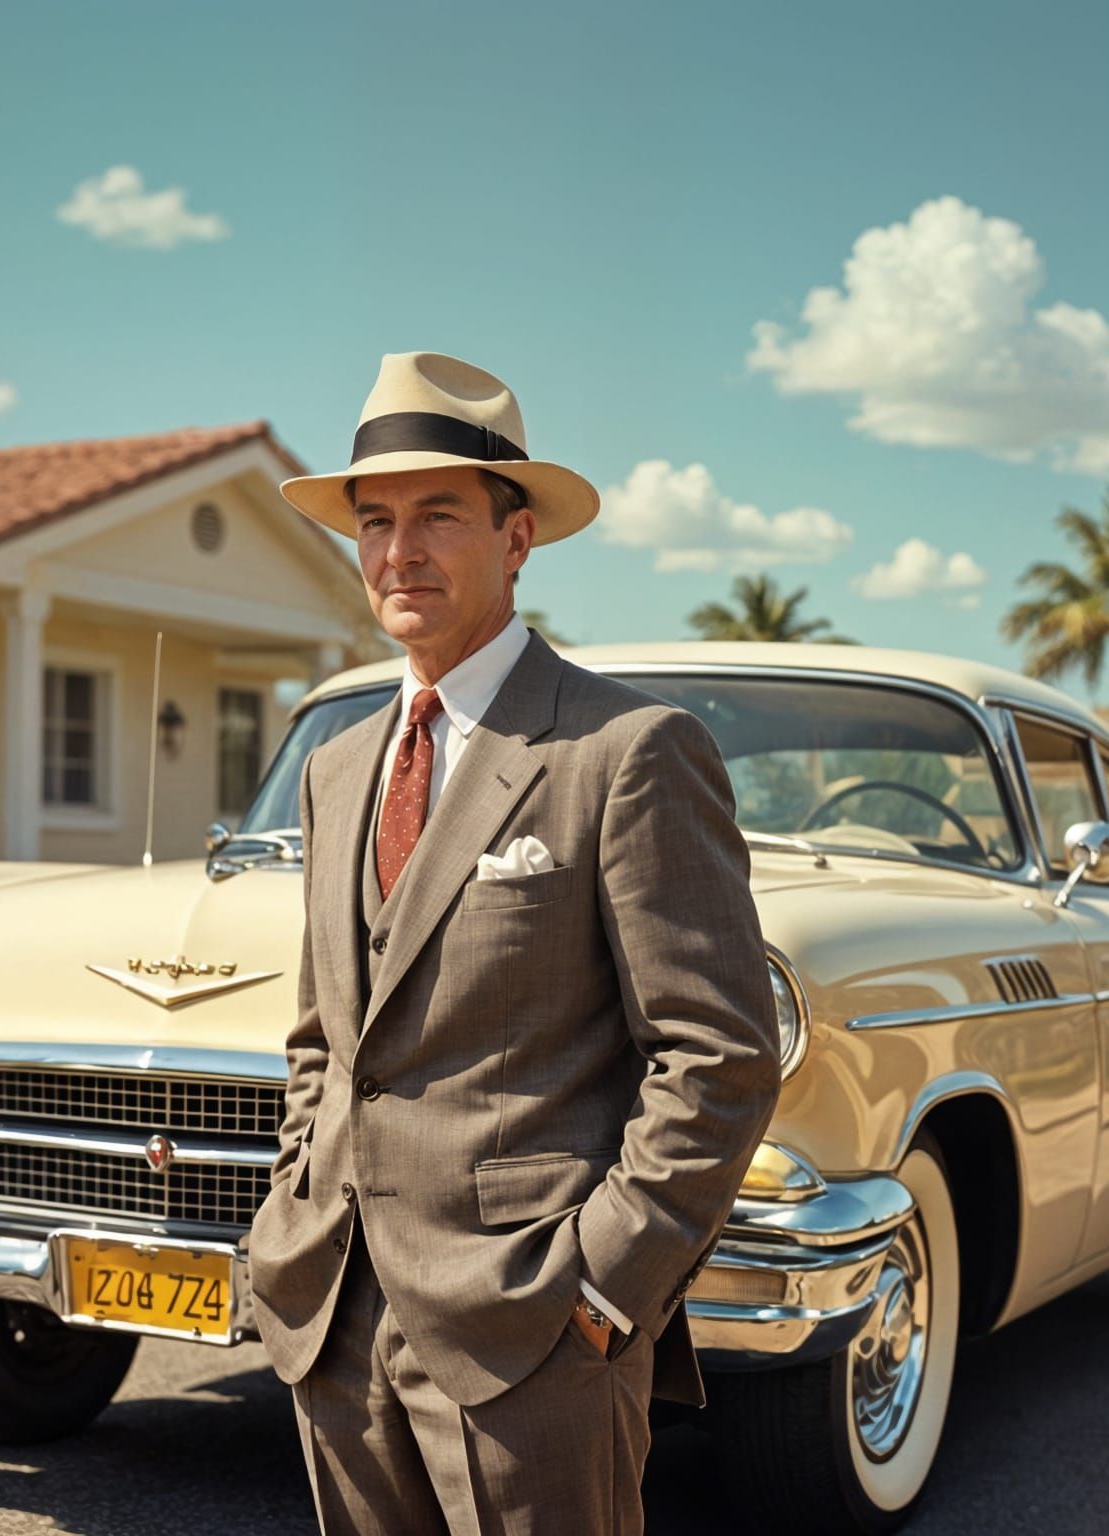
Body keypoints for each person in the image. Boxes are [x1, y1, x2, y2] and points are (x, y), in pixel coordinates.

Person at [248, 351, 781, 1535]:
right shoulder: (338, 770)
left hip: (534, 1332)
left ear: (519, 537)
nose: (401, 552)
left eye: (439, 515)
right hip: (330, 1316)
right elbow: (324, 1042)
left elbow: (720, 1056)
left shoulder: (626, 750)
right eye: (375, 522)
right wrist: (290, 1211)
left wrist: (601, 1288)